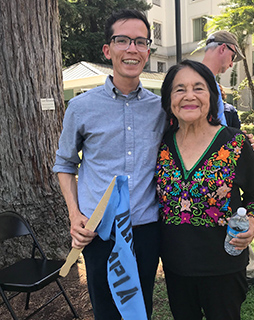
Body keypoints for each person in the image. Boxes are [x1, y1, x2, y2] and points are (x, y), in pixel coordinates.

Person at [53, 9, 166, 320]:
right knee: (105, 309)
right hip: (98, 230)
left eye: (140, 41)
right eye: (122, 40)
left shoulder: (161, 109)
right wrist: (74, 215)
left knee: (139, 307)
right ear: (108, 50)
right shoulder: (80, 107)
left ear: (147, 50)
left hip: (145, 228)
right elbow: (64, 163)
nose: (132, 48)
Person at [156, 59, 254, 320]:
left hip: (224, 267)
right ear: (168, 99)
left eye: (198, 88)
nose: (189, 96)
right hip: (176, 266)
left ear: (211, 95)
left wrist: (253, 220)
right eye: (179, 89)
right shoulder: (161, 145)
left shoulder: (233, 142)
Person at [203, 31, 254, 286]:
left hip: (225, 171)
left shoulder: (212, 83)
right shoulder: (200, 81)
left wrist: (239, 142)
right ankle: (245, 272)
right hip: (208, 176)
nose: (231, 64)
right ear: (224, 48)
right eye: (233, 56)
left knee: (238, 218)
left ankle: (245, 270)